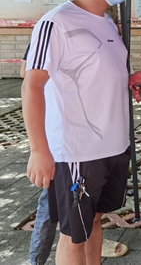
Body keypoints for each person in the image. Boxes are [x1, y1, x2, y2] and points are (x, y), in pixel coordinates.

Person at [21, 0, 141, 265]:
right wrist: (39, 150)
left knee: (94, 221)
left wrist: (128, 80)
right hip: (78, 151)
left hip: (114, 145)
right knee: (73, 235)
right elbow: (32, 85)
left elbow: (94, 73)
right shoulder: (56, 22)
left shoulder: (107, 23)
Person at [20, 45, 129, 264]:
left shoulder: (108, 28)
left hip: (108, 145)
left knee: (93, 220)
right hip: (73, 148)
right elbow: (29, 78)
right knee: (69, 231)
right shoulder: (56, 28)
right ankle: (36, 259)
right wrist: (38, 150)